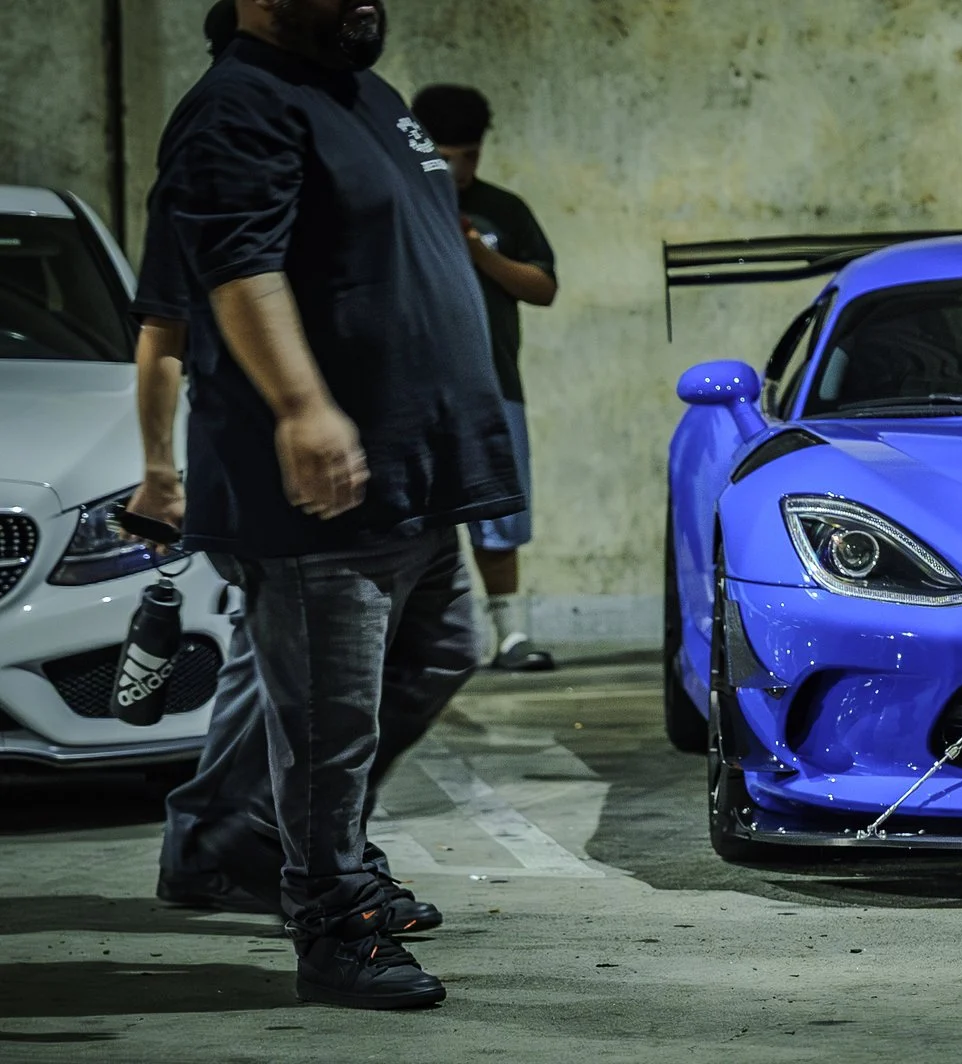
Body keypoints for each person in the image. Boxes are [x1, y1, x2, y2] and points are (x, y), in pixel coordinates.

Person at [146, 0, 519, 1007]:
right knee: (327, 726)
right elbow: (235, 267)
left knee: (440, 651)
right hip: (322, 488)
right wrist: (304, 407)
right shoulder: (240, 107)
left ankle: (250, 833)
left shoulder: (366, 94)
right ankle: (330, 922)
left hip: (415, 470)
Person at [410, 84, 562, 672]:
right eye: (447, 155)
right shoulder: (400, 204)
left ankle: (509, 635)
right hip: (415, 391)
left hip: (495, 385)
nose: (460, 168)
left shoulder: (505, 209)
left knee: (500, 514)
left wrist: (476, 248)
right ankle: (424, 640)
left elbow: (544, 288)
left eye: (469, 154)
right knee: (417, 515)